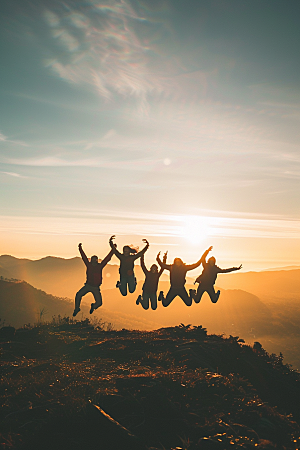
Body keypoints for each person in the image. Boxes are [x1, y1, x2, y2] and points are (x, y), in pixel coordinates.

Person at [73, 242, 115, 317]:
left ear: (97, 260)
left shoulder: (100, 266)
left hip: (95, 287)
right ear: (91, 260)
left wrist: (113, 250)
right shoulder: (89, 265)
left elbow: (107, 258)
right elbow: (84, 257)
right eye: (93, 260)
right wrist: (80, 249)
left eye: (95, 260)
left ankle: (93, 306)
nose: (94, 261)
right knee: (78, 295)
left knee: (99, 303)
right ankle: (77, 308)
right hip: (88, 285)